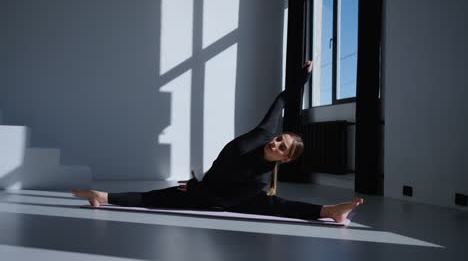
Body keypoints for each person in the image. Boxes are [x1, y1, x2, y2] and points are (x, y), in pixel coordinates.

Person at [71, 61, 363, 223]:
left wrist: (199, 188)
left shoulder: (259, 180)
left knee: (278, 205)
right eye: (279, 139)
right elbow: (281, 100)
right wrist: (302, 77)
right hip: (213, 188)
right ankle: (103, 196)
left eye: (282, 147)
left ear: (285, 160)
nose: (275, 144)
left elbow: (233, 197)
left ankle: (331, 211)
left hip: (231, 195)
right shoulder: (261, 135)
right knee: (159, 198)